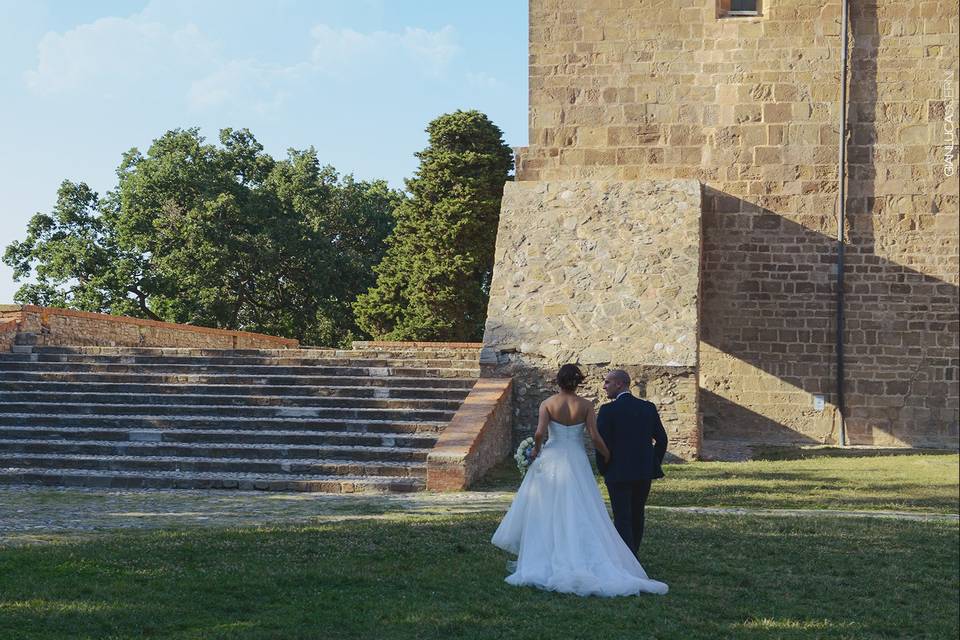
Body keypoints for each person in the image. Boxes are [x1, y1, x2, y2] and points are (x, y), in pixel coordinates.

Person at [491, 364, 668, 597]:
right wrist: (606, 454)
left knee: (546, 508)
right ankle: (612, 556)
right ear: (578, 382)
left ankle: (546, 555)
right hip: (576, 459)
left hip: (553, 458)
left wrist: (535, 450)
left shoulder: (547, 404)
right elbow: (595, 437)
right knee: (583, 507)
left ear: (558, 381)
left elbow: (539, 433)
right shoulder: (586, 405)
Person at [597, 369, 669, 554]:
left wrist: (604, 468)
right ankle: (634, 553)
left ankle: (626, 559)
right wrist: (653, 463)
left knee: (622, 517)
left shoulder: (607, 410)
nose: (604, 386)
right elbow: (662, 439)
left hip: (617, 472)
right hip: (643, 472)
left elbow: (601, 443)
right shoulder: (647, 408)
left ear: (619, 384)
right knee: (638, 514)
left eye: (607, 382)